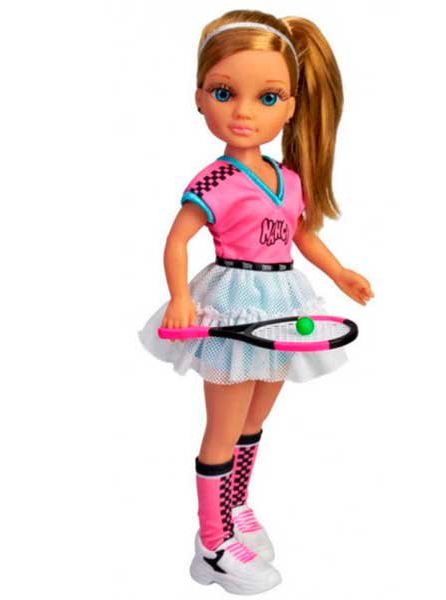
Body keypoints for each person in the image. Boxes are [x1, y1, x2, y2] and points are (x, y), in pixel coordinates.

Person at [139, 9, 374, 594]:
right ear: (200, 97)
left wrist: (339, 272)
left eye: (267, 98)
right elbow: (177, 240)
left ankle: (236, 507)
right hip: (234, 305)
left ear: (290, 106)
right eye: (225, 93)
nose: (243, 112)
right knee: (223, 428)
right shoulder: (213, 182)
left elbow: (301, 234)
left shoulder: (288, 179)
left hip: (282, 302)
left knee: (254, 418)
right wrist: (178, 297)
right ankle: (212, 543)